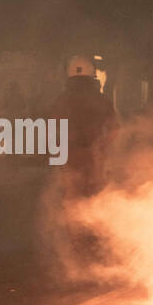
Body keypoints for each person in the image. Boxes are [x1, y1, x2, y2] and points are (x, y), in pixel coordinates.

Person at [49, 55, 118, 199]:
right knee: (95, 197)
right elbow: (115, 129)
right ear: (92, 76)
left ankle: (70, 219)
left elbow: (52, 130)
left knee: (71, 197)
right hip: (94, 158)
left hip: (69, 156)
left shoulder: (61, 100)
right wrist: (102, 149)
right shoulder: (102, 100)